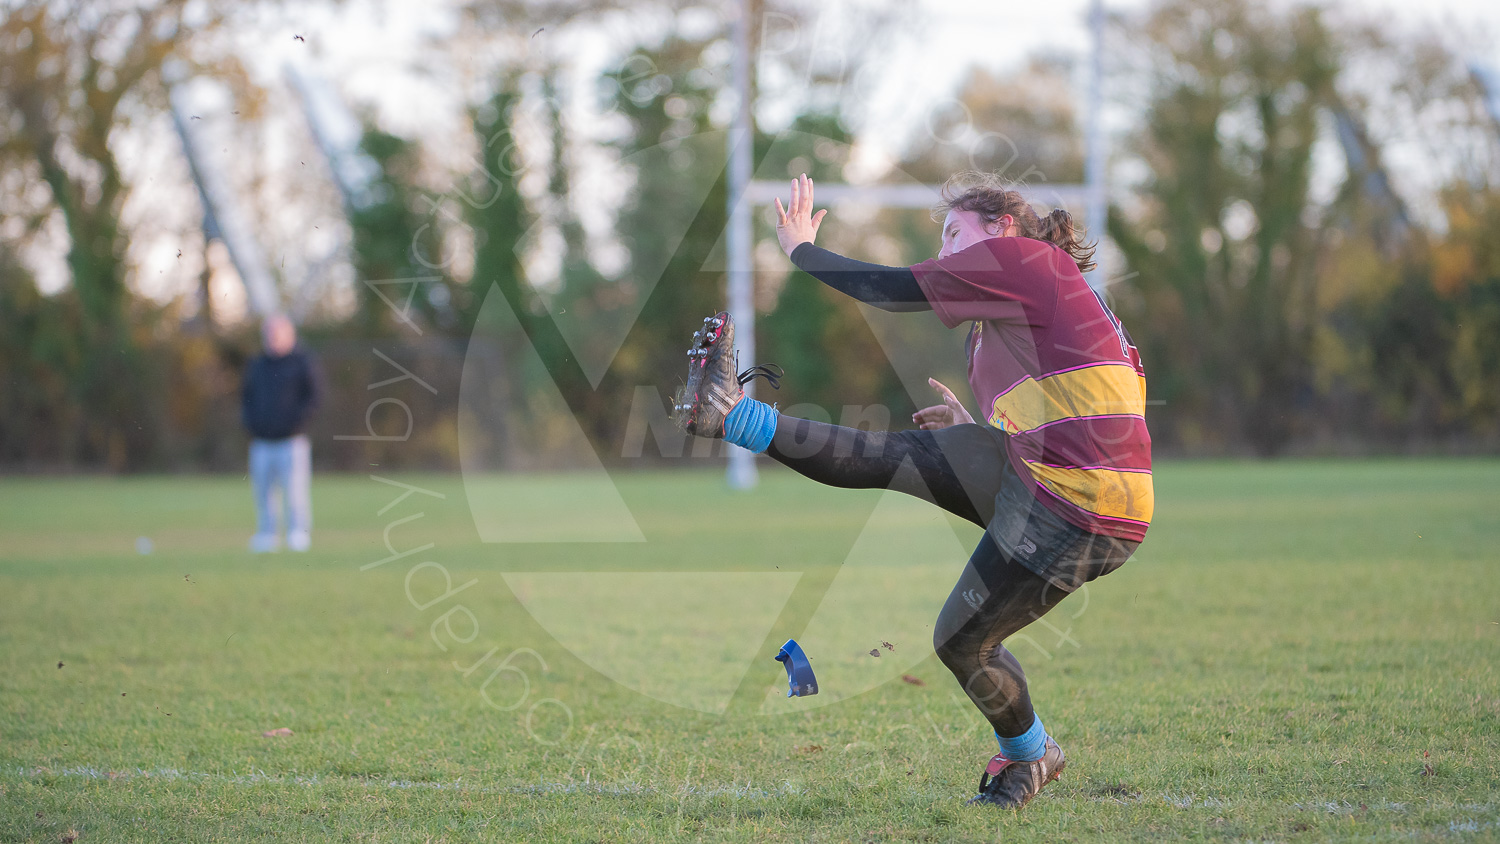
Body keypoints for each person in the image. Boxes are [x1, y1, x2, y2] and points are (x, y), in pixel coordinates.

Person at [674, 172, 1152, 809]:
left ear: (1001, 227)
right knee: (894, 460)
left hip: (1077, 503)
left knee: (959, 636)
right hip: (1064, 485)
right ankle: (732, 415)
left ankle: (1031, 755)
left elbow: (896, 291)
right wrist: (977, 435)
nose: (947, 247)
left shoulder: (1025, 260)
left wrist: (799, 251)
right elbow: (1082, 409)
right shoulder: (1005, 322)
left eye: (955, 231)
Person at [242, 313, 321, 553]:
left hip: (291, 441)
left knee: (295, 490)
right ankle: (267, 534)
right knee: (263, 491)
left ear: (290, 335)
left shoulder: (302, 362)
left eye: (277, 333)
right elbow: (246, 398)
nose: (272, 339)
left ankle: (298, 533)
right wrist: (251, 423)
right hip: (261, 440)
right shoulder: (257, 365)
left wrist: (296, 423)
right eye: (268, 334)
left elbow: (315, 397)